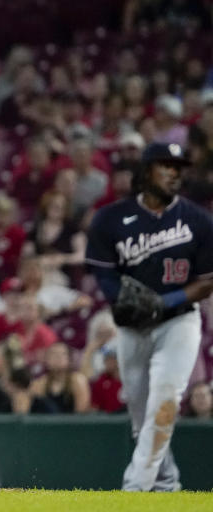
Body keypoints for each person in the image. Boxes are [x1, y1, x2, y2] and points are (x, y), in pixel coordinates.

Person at [85, 142, 213, 491]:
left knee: (165, 402)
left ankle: (135, 488)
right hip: (132, 327)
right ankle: (167, 482)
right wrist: (119, 299)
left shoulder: (198, 220)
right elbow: (104, 273)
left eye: (179, 167)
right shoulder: (110, 218)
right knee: (143, 421)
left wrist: (164, 300)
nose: (174, 172)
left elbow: (207, 282)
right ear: (145, 171)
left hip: (179, 322)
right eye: (165, 165)